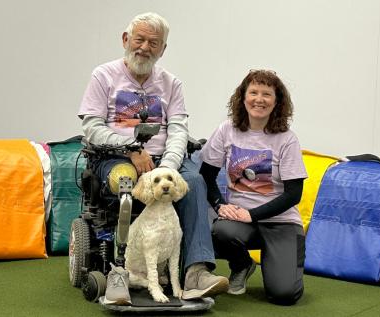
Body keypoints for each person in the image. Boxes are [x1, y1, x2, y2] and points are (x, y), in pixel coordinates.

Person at [77, 12, 228, 302]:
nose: (145, 47)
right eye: (140, 39)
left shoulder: (172, 84)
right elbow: (92, 128)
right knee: (125, 180)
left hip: (163, 160)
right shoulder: (104, 75)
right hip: (116, 156)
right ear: (126, 40)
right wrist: (131, 148)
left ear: (163, 49)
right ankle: (120, 271)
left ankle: (196, 272)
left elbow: (179, 130)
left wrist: (165, 172)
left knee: (194, 182)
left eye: (153, 43)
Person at [199, 69, 307, 305]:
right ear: (243, 97)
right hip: (239, 221)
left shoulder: (287, 139)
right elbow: (206, 175)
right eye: (254, 92)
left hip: (281, 222)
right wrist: (220, 205)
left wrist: (252, 214)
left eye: (267, 94)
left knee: (284, 295)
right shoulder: (226, 130)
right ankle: (241, 265)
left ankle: (283, 263)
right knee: (220, 229)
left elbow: (293, 194)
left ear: (277, 101)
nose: (259, 99)